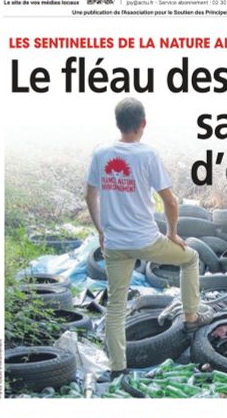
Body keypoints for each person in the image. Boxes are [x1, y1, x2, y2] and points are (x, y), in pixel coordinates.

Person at [85, 97, 211, 376]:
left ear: (117, 123)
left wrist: (101, 232)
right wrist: (173, 234)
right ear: (143, 124)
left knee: (116, 306)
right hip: (146, 241)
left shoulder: (100, 153)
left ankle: (118, 369)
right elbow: (172, 202)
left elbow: (90, 196)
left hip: (115, 243)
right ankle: (191, 318)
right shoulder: (147, 155)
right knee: (191, 258)